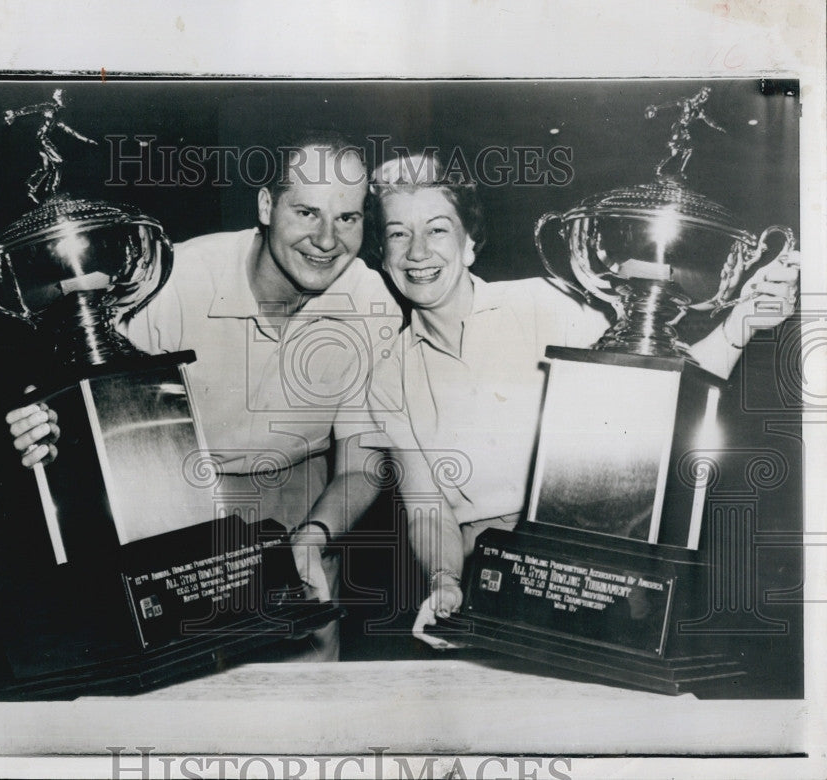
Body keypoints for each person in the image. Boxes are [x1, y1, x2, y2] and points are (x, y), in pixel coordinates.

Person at [302, 151, 801, 651]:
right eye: (397, 233)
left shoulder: (545, 303)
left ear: (469, 244)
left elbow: (664, 393)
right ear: (382, 255)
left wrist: (739, 327)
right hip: (490, 580)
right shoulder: (388, 373)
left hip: (598, 566)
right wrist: (443, 582)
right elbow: (427, 510)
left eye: (436, 230)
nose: (417, 252)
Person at [6, 136, 398, 660]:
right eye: (307, 211)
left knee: (307, 688)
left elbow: (360, 466)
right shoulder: (172, 280)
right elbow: (88, 390)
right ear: (266, 205)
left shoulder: (372, 302)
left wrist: (313, 537)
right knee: (190, 681)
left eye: (347, 218)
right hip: (179, 496)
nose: (327, 239)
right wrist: (46, 421)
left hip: (305, 501)